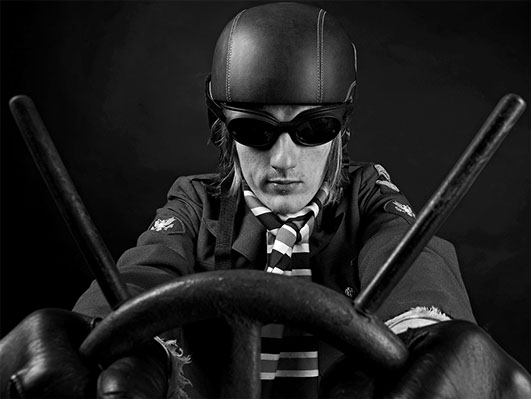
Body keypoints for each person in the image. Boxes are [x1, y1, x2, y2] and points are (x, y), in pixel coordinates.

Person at [0, 2, 530, 398]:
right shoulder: (196, 202)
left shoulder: (368, 196)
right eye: (255, 130)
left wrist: (427, 334)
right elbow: (147, 270)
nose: (282, 159)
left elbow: (409, 254)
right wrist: (106, 336)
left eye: (313, 127)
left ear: (342, 128)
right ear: (222, 130)